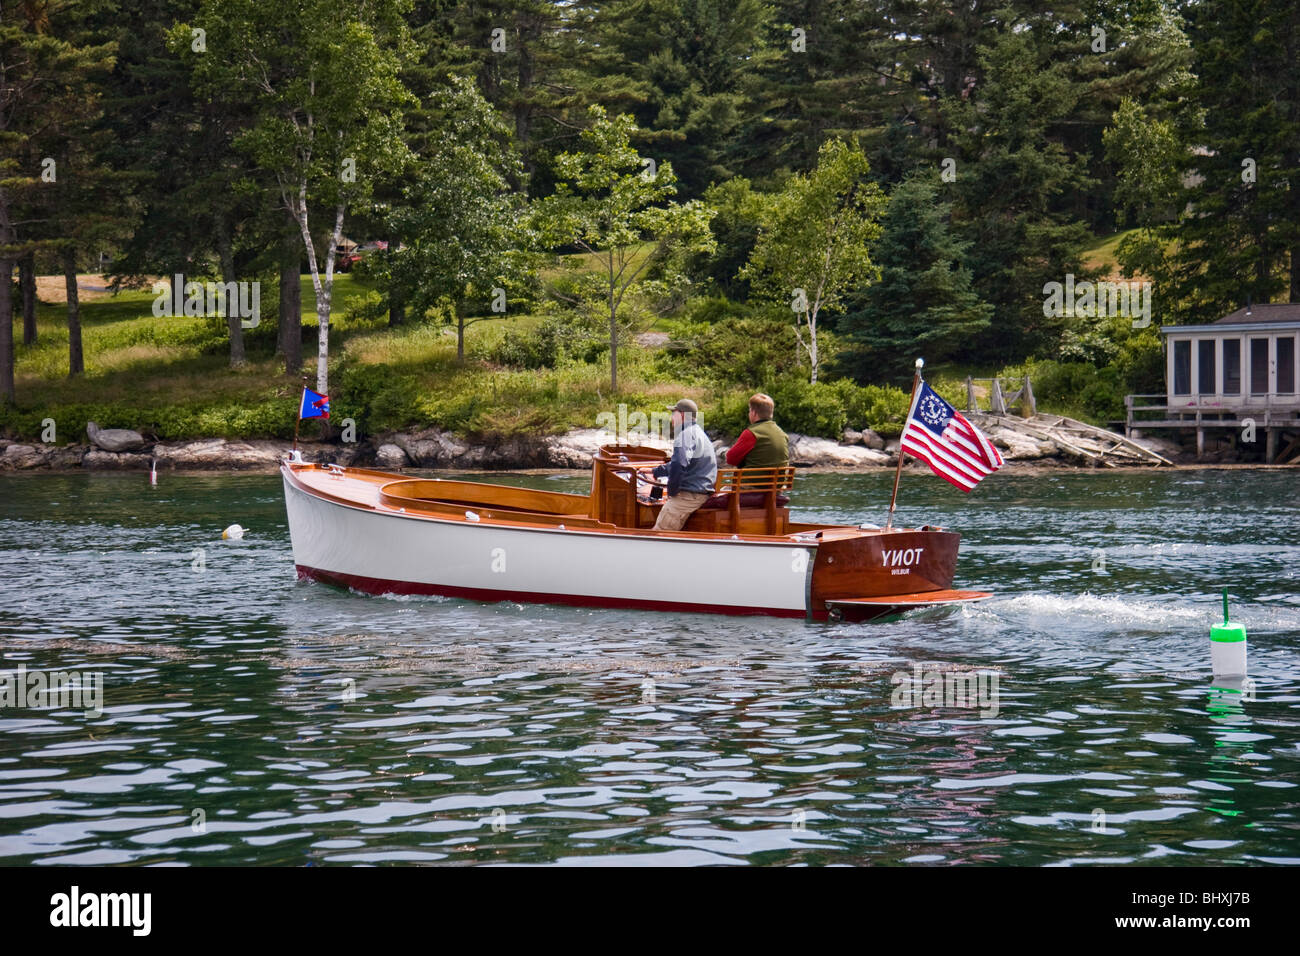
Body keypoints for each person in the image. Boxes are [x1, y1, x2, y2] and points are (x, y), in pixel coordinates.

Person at [651, 399, 717, 531]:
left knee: (659, 535)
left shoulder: (685, 435)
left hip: (689, 496)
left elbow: (679, 464)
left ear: (681, 415)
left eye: (673, 413)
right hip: (700, 492)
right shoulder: (698, 433)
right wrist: (656, 471)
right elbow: (683, 463)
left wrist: (672, 491)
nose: (671, 418)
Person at [725, 393, 789, 469]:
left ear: (754, 413)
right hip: (779, 480)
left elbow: (730, 459)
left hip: (753, 480)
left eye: (749, 411)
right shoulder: (782, 433)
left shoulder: (751, 433)